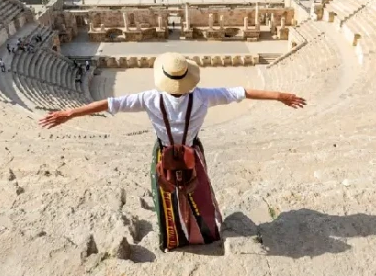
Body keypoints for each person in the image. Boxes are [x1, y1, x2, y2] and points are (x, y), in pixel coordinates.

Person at [38, 52, 306, 252]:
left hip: (164, 154)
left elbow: (110, 103)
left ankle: (172, 239)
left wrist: (70, 113)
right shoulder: (204, 96)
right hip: (192, 154)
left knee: (166, 196)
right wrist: (281, 96)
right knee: (197, 192)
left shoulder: (149, 98)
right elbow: (244, 92)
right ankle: (206, 234)